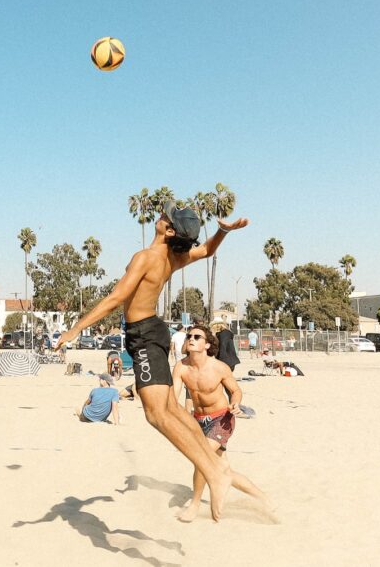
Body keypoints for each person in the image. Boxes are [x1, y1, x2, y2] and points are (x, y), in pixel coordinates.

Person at [57, 201, 267, 521]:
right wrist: (223, 230)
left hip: (144, 336)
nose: (160, 216)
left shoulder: (147, 257)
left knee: (157, 415)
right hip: (154, 332)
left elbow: (116, 298)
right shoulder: (172, 258)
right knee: (168, 409)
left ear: (168, 229)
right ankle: (216, 469)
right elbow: (207, 251)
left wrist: (75, 329)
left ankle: (214, 473)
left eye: (164, 216)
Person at [171, 324, 268, 522]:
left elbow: (236, 390)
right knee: (224, 469)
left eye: (197, 337)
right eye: (189, 336)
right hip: (198, 421)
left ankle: (195, 505)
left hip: (222, 418)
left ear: (207, 345)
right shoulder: (181, 367)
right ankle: (265, 499)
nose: (191, 339)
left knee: (202, 457)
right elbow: (173, 398)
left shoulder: (218, 367)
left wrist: (235, 404)